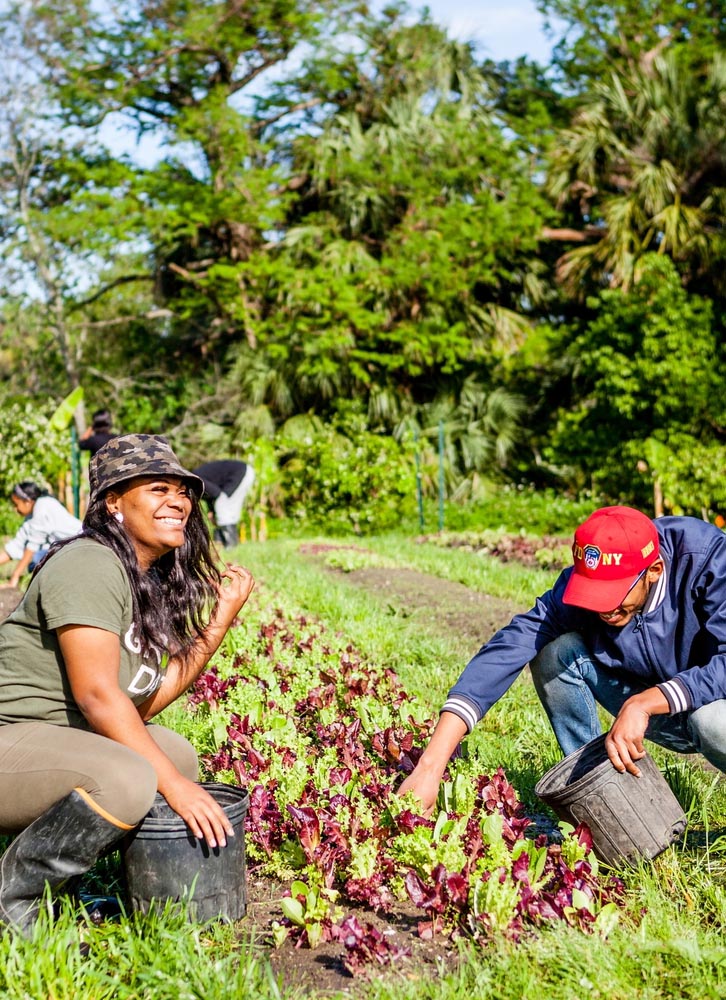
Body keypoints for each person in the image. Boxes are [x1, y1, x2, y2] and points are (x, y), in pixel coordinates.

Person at [0, 434, 254, 934]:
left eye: (182, 491)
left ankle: (72, 889)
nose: (178, 501)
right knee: (131, 779)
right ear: (113, 502)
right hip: (10, 738)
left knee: (173, 756)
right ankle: (15, 903)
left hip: (53, 736)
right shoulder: (89, 563)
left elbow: (140, 700)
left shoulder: (146, 578)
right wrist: (175, 789)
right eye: (158, 488)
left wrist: (219, 622)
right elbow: (99, 696)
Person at [399, 505, 726, 815]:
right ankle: (607, 799)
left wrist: (646, 703)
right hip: (665, 709)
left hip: (714, 705)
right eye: (595, 594)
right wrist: (431, 766)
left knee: (709, 721)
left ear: (653, 571)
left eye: (614, 595)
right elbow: (509, 647)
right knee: (554, 651)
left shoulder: (708, 559)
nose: (604, 609)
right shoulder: (589, 585)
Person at [0, 482, 82, 589]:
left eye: (16, 505)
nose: (15, 509)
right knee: (37, 560)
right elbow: (17, 545)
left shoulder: (42, 507)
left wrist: (14, 577)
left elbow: (31, 548)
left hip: (80, 546)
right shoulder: (33, 514)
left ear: (27, 502)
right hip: (69, 548)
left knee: (37, 559)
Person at [192, 459, 256, 550]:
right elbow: (210, 495)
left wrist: (214, 512)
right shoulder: (196, 481)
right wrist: (212, 511)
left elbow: (216, 494)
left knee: (222, 505)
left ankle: (230, 545)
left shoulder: (196, 480)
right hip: (245, 471)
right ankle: (223, 544)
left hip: (241, 472)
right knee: (229, 510)